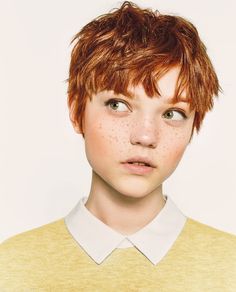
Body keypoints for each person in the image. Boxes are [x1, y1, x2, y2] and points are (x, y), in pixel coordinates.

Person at [0, 1, 235, 291]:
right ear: (77, 112)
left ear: (193, 127)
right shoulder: (11, 267)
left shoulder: (230, 267)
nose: (145, 136)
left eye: (172, 114)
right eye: (118, 105)